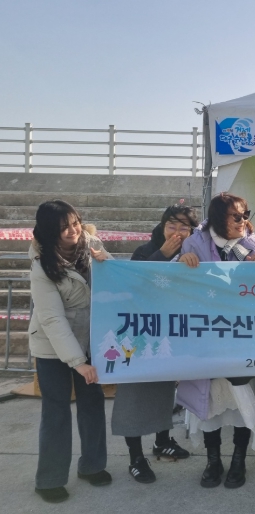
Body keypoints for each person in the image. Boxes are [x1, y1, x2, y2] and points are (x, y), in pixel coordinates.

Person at [176, 192, 255, 489]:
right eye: (236, 215)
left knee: (242, 401)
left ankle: (238, 461)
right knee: (208, 401)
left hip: (245, 338)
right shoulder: (195, 243)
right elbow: (177, 284)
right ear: (219, 217)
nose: (243, 220)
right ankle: (213, 461)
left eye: (245, 214)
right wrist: (181, 261)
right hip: (207, 339)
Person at [28, 200, 112, 503]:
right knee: (56, 410)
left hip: (89, 340)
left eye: (75, 223)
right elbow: (52, 318)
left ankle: (92, 466)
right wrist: (78, 362)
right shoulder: (41, 265)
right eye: (64, 227)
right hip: (52, 346)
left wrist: (106, 261)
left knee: (93, 403)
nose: (73, 230)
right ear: (49, 231)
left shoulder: (92, 244)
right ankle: (49, 479)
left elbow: (112, 281)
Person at [111, 204, 199, 484]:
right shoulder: (145, 251)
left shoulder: (193, 254)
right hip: (140, 336)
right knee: (134, 396)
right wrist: (162, 255)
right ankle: (135, 457)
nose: (177, 232)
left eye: (184, 227)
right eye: (172, 225)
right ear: (162, 227)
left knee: (165, 392)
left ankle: (163, 441)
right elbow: (133, 284)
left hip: (171, 335)